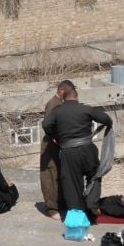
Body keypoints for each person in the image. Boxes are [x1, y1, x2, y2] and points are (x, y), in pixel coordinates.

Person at [42, 88, 113, 216]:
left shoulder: (57, 111)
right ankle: (91, 202)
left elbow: (46, 124)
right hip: (87, 149)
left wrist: (54, 135)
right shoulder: (86, 109)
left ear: (64, 98)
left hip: (68, 152)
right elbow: (106, 119)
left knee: (72, 183)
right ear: (77, 97)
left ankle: (77, 213)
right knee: (95, 174)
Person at [40, 80, 75, 220]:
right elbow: (49, 125)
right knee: (50, 176)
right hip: (51, 146)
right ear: (61, 91)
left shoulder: (62, 104)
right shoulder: (53, 104)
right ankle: (51, 208)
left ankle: (60, 203)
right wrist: (56, 138)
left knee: (60, 175)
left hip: (61, 145)